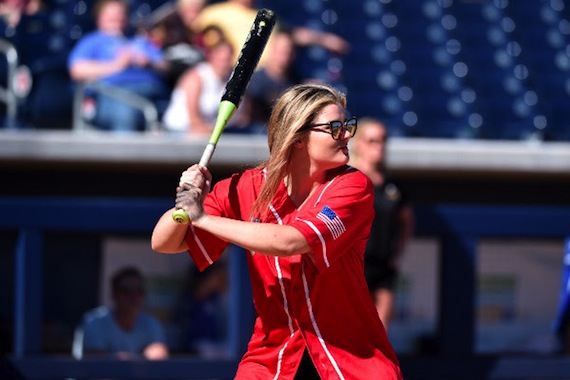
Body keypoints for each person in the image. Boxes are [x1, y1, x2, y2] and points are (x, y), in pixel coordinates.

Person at [152, 83, 403, 379]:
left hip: (351, 362)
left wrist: (203, 218)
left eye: (347, 125)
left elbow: (292, 241)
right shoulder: (248, 186)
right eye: (335, 127)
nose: (347, 134)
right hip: (272, 360)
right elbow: (164, 242)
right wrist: (185, 198)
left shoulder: (353, 185)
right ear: (297, 136)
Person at [349, 117, 415, 330]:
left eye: (383, 140)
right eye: (372, 141)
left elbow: (407, 221)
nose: (379, 146)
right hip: (355, 267)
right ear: (359, 144)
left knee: (380, 333)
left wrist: (399, 252)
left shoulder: (393, 186)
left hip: (384, 266)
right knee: (352, 330)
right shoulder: (349, 180)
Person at [68, 0, 170, 132]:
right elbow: (77, 70)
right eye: (112, 14)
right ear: (99, 17)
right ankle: (128, 152)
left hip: (154, 91)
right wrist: (117, 65)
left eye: (121, 13)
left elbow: (167, 67)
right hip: (113, 93)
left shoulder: (139, 41)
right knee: (124, 111)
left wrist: (149, 63)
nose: (117, 17)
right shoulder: (92, 41)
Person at [191, 0, 350, 69]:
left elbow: (293, 34)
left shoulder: (266, 16)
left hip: (265, 74)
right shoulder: (213, 14)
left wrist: (325, 40)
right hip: (231, 74)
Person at [72, 266, 169, 360]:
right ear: (113, 294)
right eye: (127, 291)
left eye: (139, 291)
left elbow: (159, 355)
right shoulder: (94, 321)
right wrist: (134, 361)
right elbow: (94, 362)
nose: (134, 297)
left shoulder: (151, 323)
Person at [162, 27, 236, 135]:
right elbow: (194, 119)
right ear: (212, 56)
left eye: (227, 59)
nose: (224, 64)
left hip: (212, 132)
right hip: (180, 131)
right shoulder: (196, 77)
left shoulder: (232, 79)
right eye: (221, 60)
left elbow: (241, 117)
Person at [243, 27, 301, 134]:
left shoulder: (297, 82)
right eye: (281, 51)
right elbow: (247, 118)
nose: (284, 56)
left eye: (288, 51)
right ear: (272, 51)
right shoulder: (255, 81)